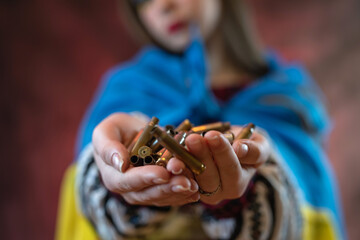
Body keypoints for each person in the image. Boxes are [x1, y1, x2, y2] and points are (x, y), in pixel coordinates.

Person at [55, 0, 346, 239]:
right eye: (144, 1)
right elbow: (88, 214)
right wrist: (120, 188)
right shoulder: (128, 89)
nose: (162, 6)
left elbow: (309, 208)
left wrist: (251, 194)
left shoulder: (287, 98)